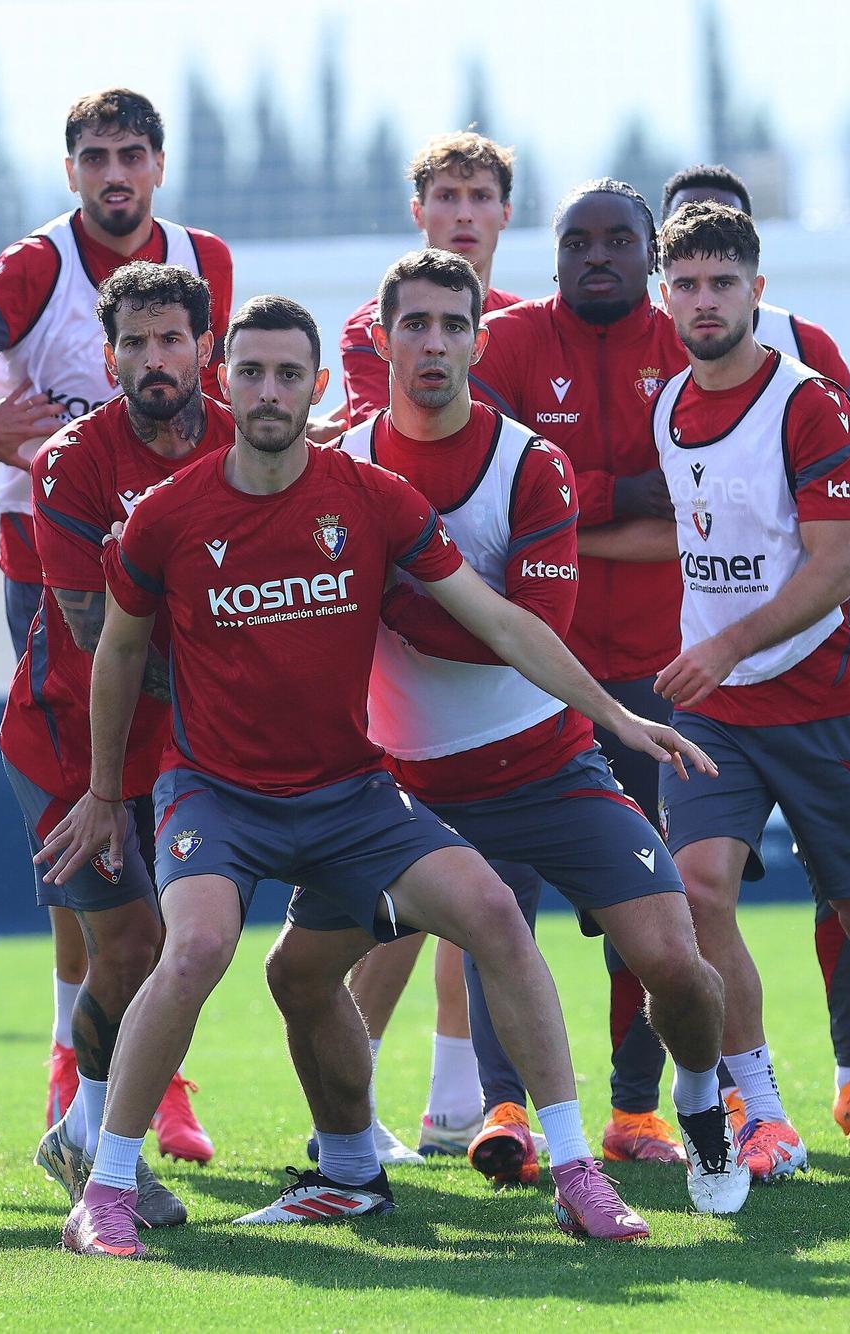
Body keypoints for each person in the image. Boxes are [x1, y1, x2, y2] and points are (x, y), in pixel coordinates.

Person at [40, 295, 719, 1259]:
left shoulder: (370, 496)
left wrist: (615, 715)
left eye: (288, 375)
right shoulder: (167, 516)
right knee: (194, 951)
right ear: (220, 381)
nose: (269, 391)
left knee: (487, 909)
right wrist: (108, 793)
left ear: (317, 388)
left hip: (352, 795)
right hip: (218, 794)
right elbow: (115, 656)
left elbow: (498, 618)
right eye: (251, 373)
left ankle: (573, 1169)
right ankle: (104, 1191)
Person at [283, 248, 744, 1224]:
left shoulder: (528, 461)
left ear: (479, 342)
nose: (435, 342)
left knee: (674, 962)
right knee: (302, 970)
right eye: (415, 323)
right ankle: (342, 1151)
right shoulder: (334, 467)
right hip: (402, 792)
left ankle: (700, 1100)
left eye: (455, 325)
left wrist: (408, 590)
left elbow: (528, 631)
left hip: (547, 766)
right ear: (379, 337)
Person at [0, 88, 233, 1139]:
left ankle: (147, 1067)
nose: (113, 173)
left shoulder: (203, 260)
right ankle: (75, 1054)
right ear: (70, 172)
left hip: (179, 566)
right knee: (97, 812)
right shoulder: (34, 267)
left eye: (130, 155)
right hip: (54, 572)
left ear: (157, 165)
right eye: (94, 155)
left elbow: (216, 406)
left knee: (163, 824)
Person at [652, 201, 850, 1178]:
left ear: (756, 290)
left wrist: (726, 641)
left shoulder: (805, 401)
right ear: (665, 296)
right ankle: (762, 1107)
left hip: (822, 700)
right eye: (687, 284)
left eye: (721, 282)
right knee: (696, 889)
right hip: (712, 708)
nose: (703, 301)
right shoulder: (666, 406)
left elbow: (833, 564)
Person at [456, 179, 696, 1172]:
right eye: (575, 241)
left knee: (638, 904)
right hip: (521, 673)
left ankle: (635, 1109)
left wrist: (571, 512)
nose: (595, 256)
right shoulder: (503, 346)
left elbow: (692, 508)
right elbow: (502, 498)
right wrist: (612, 498)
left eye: (616, 241)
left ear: (648, 252)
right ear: (549, 257)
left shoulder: (685, 347)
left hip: (653, 675)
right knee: (494, 901)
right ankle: (502, 1108)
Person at [314, 130, 528, 1166]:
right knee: (396, 886)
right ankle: (342, 1111)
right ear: (418, 212)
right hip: (394, 637)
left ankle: (458, 1100)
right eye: (442, 193)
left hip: (500, 656)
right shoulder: (376, 329)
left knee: (473, 881)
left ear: (501, 213)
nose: (459, 210)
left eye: (477, 194)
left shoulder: (524, 329)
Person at [11, 262, 235, 1225]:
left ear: (205, 350)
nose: (154, 359)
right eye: (134, 343)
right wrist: (242, 683)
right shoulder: (71, 459)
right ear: (108, 357)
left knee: (189, 949)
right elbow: (95, 624)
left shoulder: (243, 442)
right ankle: (101, 1148)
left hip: (189, 754)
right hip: (71, 749)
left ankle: (349, 1153)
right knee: (136, 940)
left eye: (171, 340)